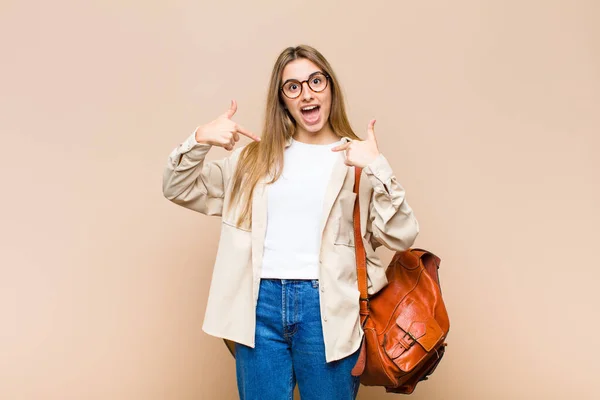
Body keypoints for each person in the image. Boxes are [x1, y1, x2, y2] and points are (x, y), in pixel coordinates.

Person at [162, 44, 419, 400]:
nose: (307, 93)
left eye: (316, 81)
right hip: (259, 309)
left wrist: (378, 166)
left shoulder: (357, 160)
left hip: (328, 311)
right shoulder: (253, 159)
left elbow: (403, 235)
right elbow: (177, 186)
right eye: (293, 86)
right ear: (282, 99)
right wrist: (199, 140)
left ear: (330, 87)